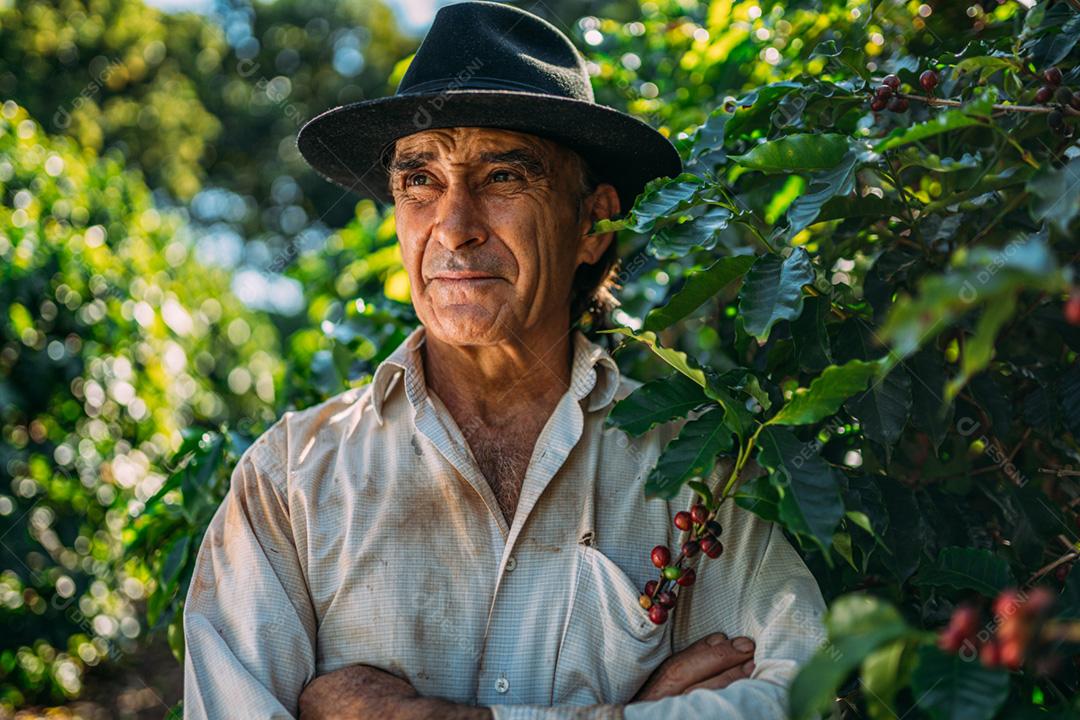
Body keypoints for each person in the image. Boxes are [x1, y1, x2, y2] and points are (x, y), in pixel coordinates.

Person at [182, 2, 827, 718]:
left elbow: (803, 696)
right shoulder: (291, 483)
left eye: (502, 178)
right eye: (420, 182)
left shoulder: (694, 469)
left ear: (592, 223)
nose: (454, 229)